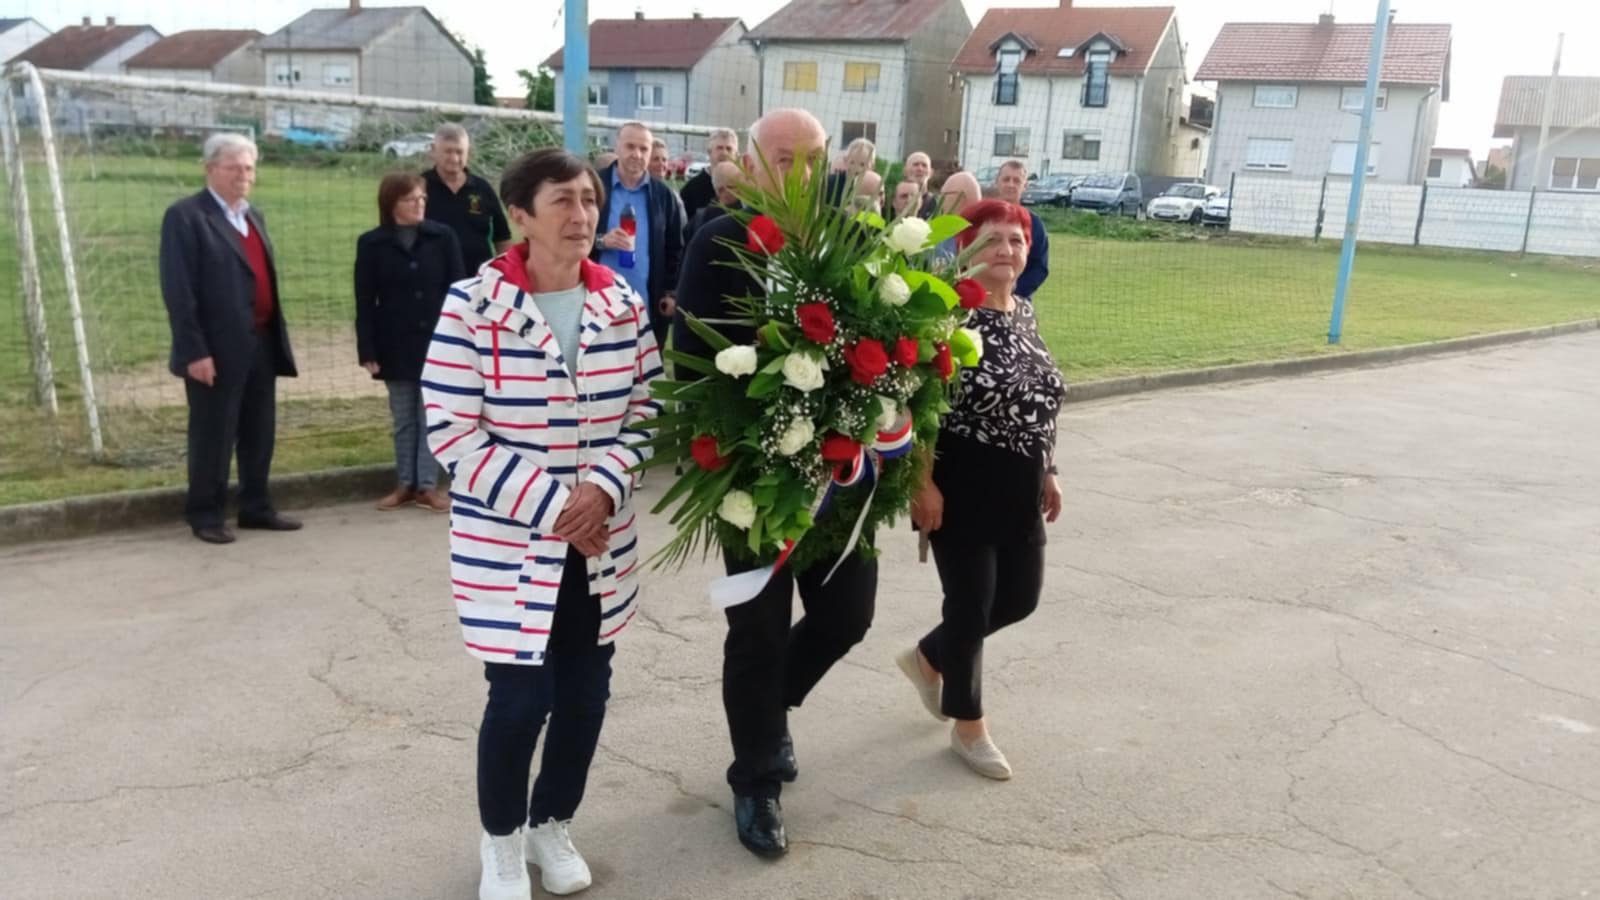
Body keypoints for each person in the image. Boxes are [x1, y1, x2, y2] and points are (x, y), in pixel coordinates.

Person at [422, 148, 663, 900]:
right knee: (521, 700)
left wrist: (603, 488)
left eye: (589, 199)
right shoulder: (471, 305)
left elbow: (648, 410)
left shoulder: (621, 303)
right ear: (520, 216)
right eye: (563, 200)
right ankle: (500, 839)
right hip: (511, 543)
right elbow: (453, 432)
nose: (582, 214)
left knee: (587, 695)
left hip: (600, 540)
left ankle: (550, 822)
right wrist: (558, 508)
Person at [675, 108, 876, 860]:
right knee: (756, 633)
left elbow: (882, 341)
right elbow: (691, 354)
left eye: (813, 159)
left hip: (839, 476)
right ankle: (756, 778)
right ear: (753, 166)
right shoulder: (718, 240)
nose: (799, 174)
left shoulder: (851, 237)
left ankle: (769, 708)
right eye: (783, 158)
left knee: (848, 615)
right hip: (752, 476)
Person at [900, 199, 1065, 780]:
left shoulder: (1025, 312)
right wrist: (921, 482)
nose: (1006, 250)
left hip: (1021, 484)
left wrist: (1050, 470)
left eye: (1017, 240)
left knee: (1019, 598)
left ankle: (929, 656)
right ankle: (968, 727)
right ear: (966, 248)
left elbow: (1039, 397)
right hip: (960, 481)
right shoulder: (947, 315)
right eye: (993, 238)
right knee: (970, 608)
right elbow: (920, 406)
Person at [159, 133, 300, 545]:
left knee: (259, 430)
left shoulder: (253, 216)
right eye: (234, 168)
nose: (244, 176)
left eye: (249, 168)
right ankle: (205, 512)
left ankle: (256, 506)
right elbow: (179, 290)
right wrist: (194, 351)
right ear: (210, 169)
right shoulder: (187, 217)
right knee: (213, 433)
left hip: (260, 341)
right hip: (214, 348)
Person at [353, 173, 464, 513]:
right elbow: (364, 300)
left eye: (422, 198)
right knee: (403, 418)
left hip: (437, 342)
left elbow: (458, 291)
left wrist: (460, 339)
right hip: (394, 343)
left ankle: (427, 486)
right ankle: (405, 483)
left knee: (431, 416)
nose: (419, 204)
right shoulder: (371, 243)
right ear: (391, 204)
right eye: (410, 199)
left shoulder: (443, 237)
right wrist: (367, 348)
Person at [592, 121, 685, 353]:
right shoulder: (594, 186)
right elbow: (571, 238)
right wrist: (602, 241)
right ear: (617, 147)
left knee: (644, 371)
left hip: (645, 305)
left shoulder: (663, 196)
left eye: (644, 149)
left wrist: (671, 292)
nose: (637, 154)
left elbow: (675, 249)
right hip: (596, 303)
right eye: (630, 146)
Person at [424, 122, 512, 274]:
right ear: (433, 150)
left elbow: (502, 237)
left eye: (460, 152)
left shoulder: (482, 188)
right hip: (433, 279)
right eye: (448, 151)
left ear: (468, 153)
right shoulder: (420, 188)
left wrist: (507, 273)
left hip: (478, 279)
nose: (454, 158)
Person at [991, 160, 1049, 299]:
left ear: (1025, 186)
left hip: (1017, 299)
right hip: (982, 298)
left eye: (1016, 181)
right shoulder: (983, 218)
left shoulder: (1035, 225)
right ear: (997, 182)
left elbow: (1039, 267)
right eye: (1006, 179)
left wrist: (1013, 292)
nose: (1011, 184)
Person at [679, 128, 739, 223]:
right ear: (709, 152)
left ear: (736, 155)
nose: (724, 153)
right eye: (719, 148)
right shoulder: (691, 190)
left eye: (729, 149)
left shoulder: (744, 189)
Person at [932, 171, 982, 260]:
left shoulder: (938, 241)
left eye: (944, 195)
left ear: (962, 197)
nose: (940, 201)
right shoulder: (989, 234)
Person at [687, 160, 741, 237]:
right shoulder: (701, 220)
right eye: (738, 186)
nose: (744, 191)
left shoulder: (699, 219)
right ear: (721, 190)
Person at [825, 137, 876, 205]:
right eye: (852, 162)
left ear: (872, 166)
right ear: (846, 160)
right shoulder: (829, 183)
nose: (857, 169)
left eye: (862, 164)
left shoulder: (875, 188)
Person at [903, 150, 938, 217]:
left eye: (924, 165)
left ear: (931, 173)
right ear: (905, 171)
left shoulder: (937, 204)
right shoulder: (894, 201)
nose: (920, 169)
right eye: (915, 165)